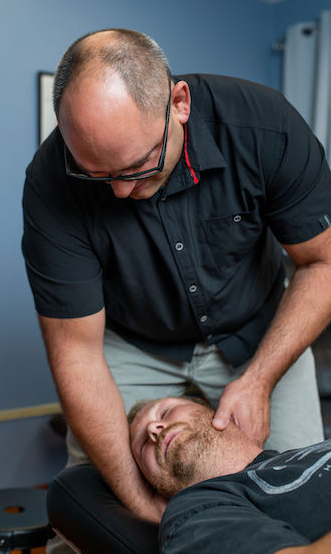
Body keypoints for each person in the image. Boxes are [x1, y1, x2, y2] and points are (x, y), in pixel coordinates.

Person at [21, 29, 331, 532]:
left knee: (302, 493)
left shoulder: (263, 127)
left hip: (260, 329)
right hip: (131, 343)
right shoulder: (50, 183)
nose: (121, 193)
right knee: (95, 517)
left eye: (138, 167)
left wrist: (258, 379)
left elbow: (324, 263)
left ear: (179, 103)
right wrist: (142, 509)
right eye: (97, 175)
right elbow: (76, 353)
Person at [129, 395, 331, 554]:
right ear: (155, 487)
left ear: (220, 412)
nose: (152, 429)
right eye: (143, 446)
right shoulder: (193, 515)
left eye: (166, 411)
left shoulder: (305, 453)